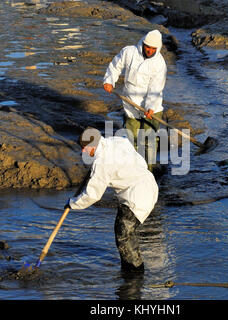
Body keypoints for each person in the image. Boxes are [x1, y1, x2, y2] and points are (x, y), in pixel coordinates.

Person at [65, 127, 159, 272]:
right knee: (123, 231)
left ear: (93, 145)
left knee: (124, 234)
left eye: (84, 148)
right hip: (148, 184)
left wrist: (72, 203)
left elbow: (93, 195)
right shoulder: (116, 140)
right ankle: (130, 269)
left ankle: (134, 274)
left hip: (138, 196)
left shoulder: (101, 163)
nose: (83, 152)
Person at [103, 29, 167, 173]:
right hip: (131, 105)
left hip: (152, 109)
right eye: (147, 47)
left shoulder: (159, 64)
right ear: (143, 43)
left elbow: (155, 88)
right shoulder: (129, 52)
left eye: (153, 49)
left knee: (149, 141)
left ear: (158, 48)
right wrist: (109, 80)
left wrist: (150, 107)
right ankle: (133, 171)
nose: (149, 50)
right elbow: (115, 65)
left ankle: (149, 172)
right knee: (131, 140)